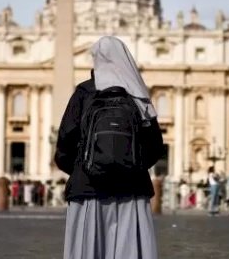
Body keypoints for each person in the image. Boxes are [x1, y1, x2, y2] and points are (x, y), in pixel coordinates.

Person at [55, 36, 164, 259]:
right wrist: (130, 166)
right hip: (131, 189)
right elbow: (155, 146)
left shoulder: (84, 92)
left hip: (88, 187)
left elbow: (65, 140)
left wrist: (81, 169)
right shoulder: (137, 94)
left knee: (87, 250)